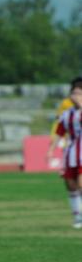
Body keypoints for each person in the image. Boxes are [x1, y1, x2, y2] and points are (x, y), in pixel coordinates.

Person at [47, 77, 82, 228]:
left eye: (78, 93)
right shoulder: (67, 113)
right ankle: (78, 216)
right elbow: (60, 131)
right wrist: (50, 150)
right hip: (71, 151)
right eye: (73, 93)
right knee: (70, 184)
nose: (74, 96)